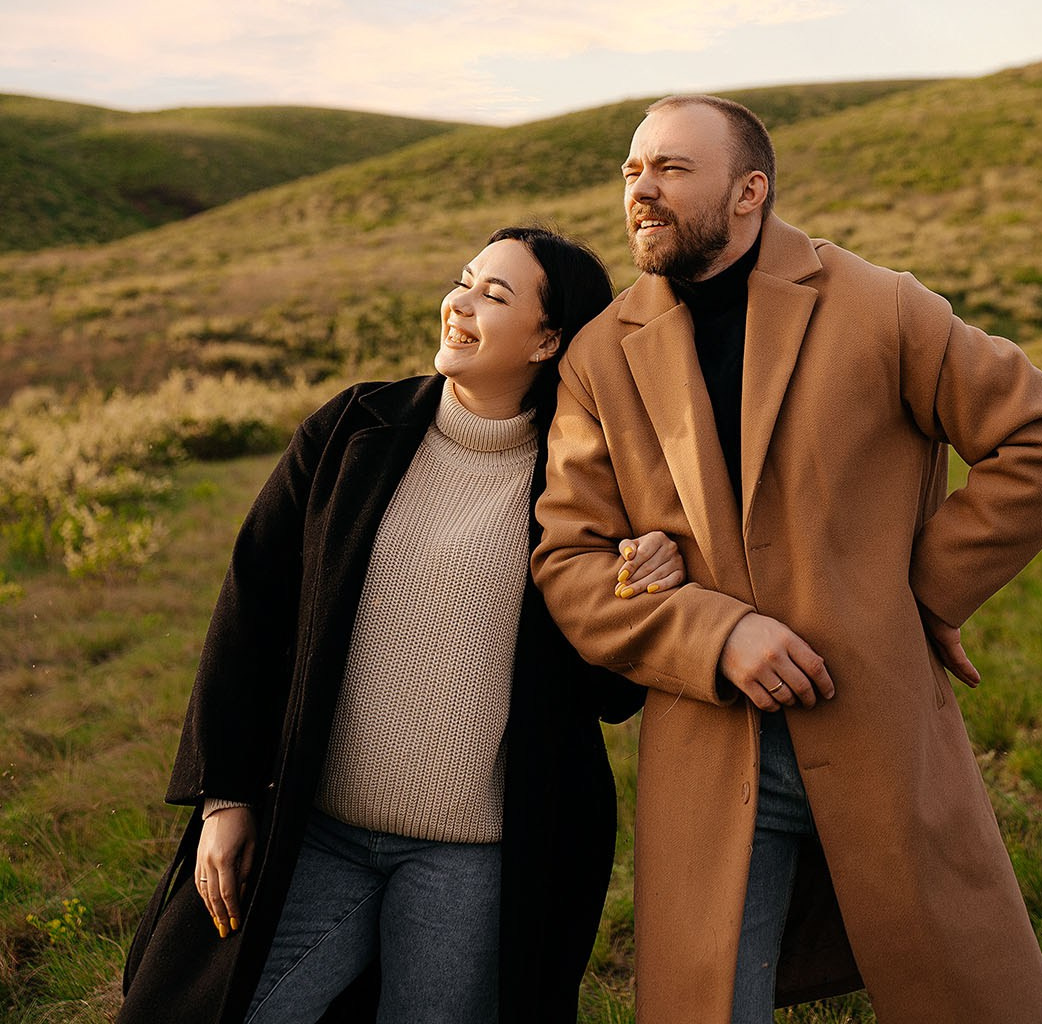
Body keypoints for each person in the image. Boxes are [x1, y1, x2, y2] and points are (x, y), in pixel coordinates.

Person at [532, 96, 1042, 1024]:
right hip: (709, 752)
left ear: (749, 190)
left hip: (878, 725)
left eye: (672, 168)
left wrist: (920, 596)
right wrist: (717, 637)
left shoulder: (880, 304)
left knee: (973, 998)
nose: (641, 189)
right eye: (633, 170)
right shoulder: (599, 356)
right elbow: (571, 561)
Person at [119, 224, 684, 1024]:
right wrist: (224, 797)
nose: (460, 303)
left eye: (495, 295)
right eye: (463, 280)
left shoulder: (589, 485)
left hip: (474, 858)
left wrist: (645, 588)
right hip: (314, 832)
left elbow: (607, 695)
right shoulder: (353, 429)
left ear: (548, 340)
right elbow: (250, 611)